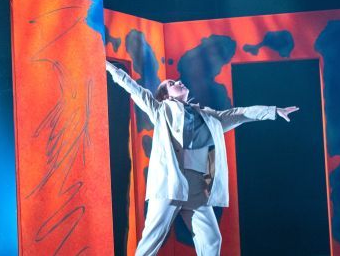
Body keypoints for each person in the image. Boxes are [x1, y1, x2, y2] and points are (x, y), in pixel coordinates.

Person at [105, 61, 299, 256]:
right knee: (152, 239)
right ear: (165, 96)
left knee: (212, 239)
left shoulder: (207, 117)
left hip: (196, 189)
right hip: (169, 185)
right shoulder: (160, 110)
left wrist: (273, 111)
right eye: (172, 83)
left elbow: (239, 114)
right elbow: (132, 87)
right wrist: (109, 67)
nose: (178, 82)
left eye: (177, 80)